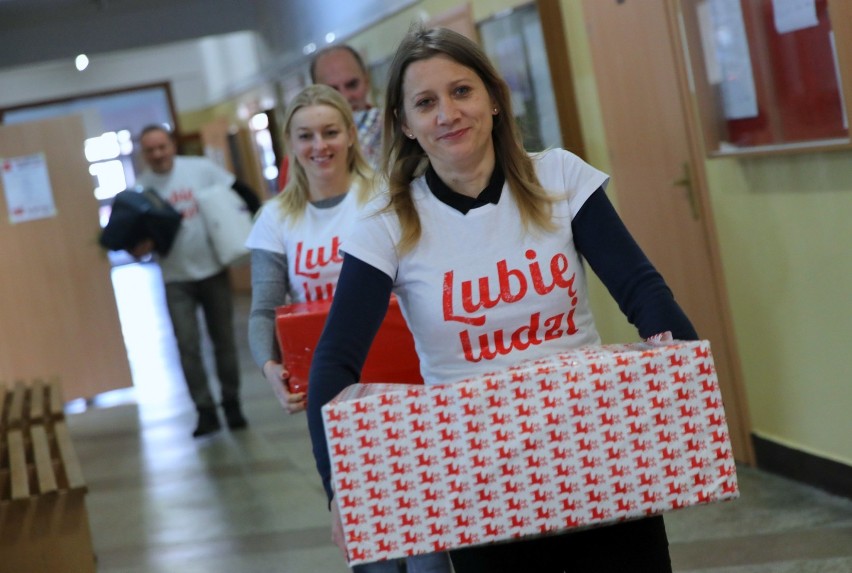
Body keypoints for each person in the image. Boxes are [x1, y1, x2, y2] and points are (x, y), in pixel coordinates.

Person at [306, 25, 699, 573]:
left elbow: (643, 293)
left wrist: (684, 404)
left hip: (594, 451)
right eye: (425, 102)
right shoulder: (387, 225)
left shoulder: (559, 176)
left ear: (493, 98)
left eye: (461, 91)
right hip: (479, 480)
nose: (447, 113)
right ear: (405, 124)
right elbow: (334, 363)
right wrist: (339, 492)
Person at [245, 84, 453, 573]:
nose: (320, 145)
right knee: (370, 544)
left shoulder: (386, 196)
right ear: (290, 145)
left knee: (427, 540)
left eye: (330, 132)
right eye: (306, 135)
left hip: (405, 383)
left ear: (351, 137)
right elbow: (263, 309)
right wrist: (270, 367)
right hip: (336, 396)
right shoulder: (276, 218)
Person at [134, 124, 249, 438]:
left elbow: (239, 190)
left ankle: (232, 403)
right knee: (187, 346)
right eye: (150, 150)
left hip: (213, 269)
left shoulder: (199, 169)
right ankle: (205, 411)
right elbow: (136, 243)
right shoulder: (140, 190)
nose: (158, 154)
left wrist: (258, 219)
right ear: (143, 154)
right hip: (175, 278)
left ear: (172, 145)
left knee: (223, 342)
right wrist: (139, 248)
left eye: (162, 146)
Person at [277, 45, 383, 191]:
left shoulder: (395, 133)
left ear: (366, 81)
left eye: (352, 85)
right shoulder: (301, 158)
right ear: (316, 92)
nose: (345, 98)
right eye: (332, 90)